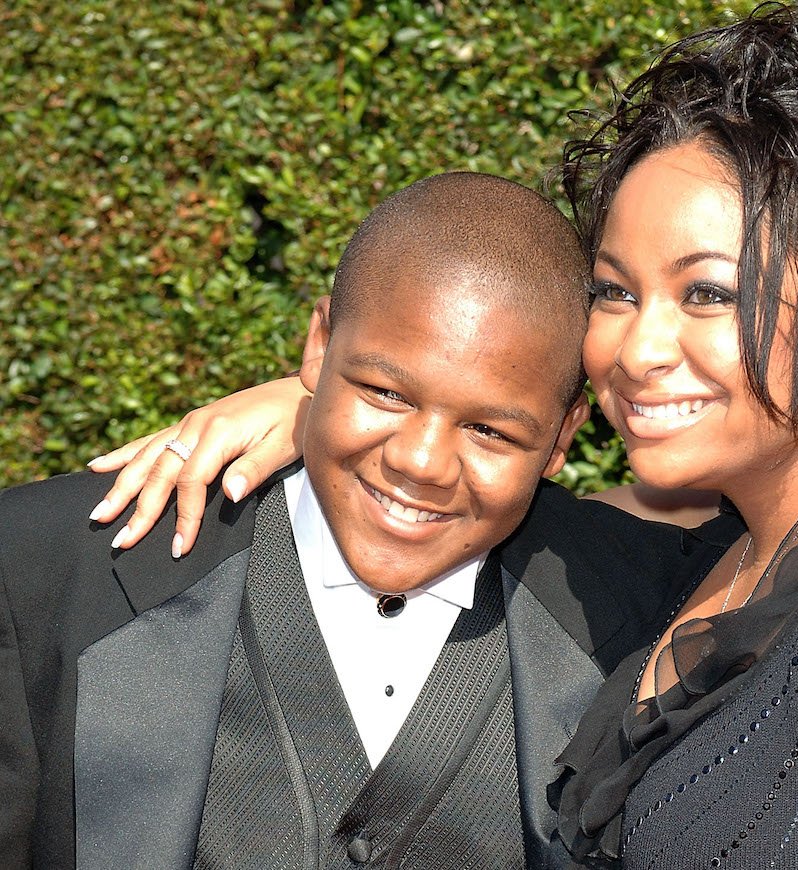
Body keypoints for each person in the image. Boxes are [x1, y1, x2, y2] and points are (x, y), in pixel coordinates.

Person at [88, 4, 798, 868]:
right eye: (615, 292)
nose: (636, 349)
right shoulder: (740, 546)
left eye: (706, 295)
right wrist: (331, 414)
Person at [0, 172, 735, 869]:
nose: (420, 461)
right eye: (384, 391)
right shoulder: (45, 569)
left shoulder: (657, 607)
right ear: (318, 347)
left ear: (563, 435)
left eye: (491, 432)